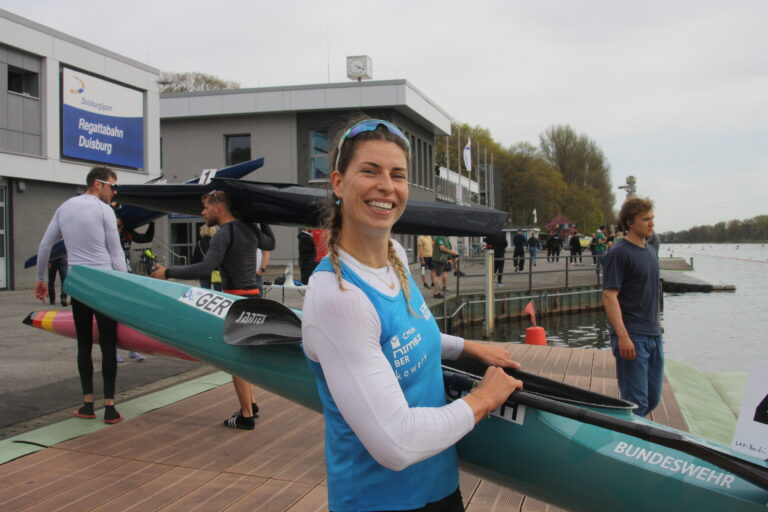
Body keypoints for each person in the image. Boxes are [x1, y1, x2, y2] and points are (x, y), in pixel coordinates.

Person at [301, 118, 523, 512]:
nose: (386, 186)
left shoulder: (395, 258)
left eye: (397, 174)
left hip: (438, 486)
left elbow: (409, 336)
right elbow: (397, 443)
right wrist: (485, 399)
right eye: (369, 171)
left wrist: (467, 347)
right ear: (338, 182)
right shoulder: (339, 297)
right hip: (379, 502)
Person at [151, 190, 275, 430]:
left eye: (205, 207)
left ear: (219, 208)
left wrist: (169, 272)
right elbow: (270, 243)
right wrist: (262, 217)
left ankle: (246, 416)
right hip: (254, 299)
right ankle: (251, 402)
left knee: (235, 360)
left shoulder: (223, 234)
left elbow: (206, 268)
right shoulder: (248, 228)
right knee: (244, 356)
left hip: (236, 302)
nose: (202, 212)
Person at [34, 166, 126, 424]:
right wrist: (126, 285)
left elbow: (45, 246)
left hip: (78, 284)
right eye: (112, 186)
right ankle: (110, 408)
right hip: (104, 283)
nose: (114, 191)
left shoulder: (65, 207)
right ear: (98, 184)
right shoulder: (103, 210)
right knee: (108, 344)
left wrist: (41, 279)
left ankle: (87, 405)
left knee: (84, 343)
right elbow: (116, 252)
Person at [602, 197, 662, 417]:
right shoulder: (618, 253)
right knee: (636, 403)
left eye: (652, 218)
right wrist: (622, 336)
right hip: (632, 336)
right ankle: (624, 443)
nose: (651, 223)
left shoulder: (651, 251)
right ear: (630, 222)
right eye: (646, 219)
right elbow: (609, 296)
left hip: (653, 334)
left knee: (653, 398)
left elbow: (649, 290)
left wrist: (657, 321)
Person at [192, 224, 222, 291]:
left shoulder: (199, 243)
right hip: (216, 271)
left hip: (203, 271)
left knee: (205, 292)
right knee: (219, 293)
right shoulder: (218, 242)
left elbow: (195, 259)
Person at [433, 234, 458, 299]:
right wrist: (452, 253)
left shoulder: (444, 238)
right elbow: (442, 248)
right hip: (438, 259)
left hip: (442, 260)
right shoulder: (439, 238)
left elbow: (447, 248)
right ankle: (436, 293)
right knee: (438, 276)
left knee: (439, 276)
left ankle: (437, 292)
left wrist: (452, 254)